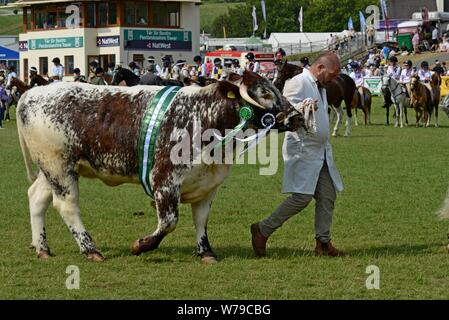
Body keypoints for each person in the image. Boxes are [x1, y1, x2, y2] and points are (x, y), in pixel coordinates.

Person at [250, 52, 345, 258]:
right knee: (301, 197)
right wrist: (303, 107)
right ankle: (262, 229)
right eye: (332, 74)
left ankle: (323, 243)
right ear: (320, 68)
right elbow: (283, 115)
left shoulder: (321, 85)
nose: (334, 79)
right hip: (302, 149)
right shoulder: (298, 83)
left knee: (328, 195)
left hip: (320, 151)